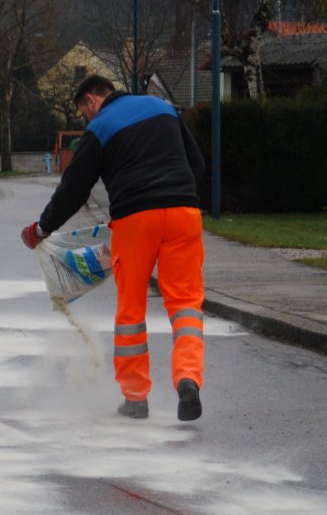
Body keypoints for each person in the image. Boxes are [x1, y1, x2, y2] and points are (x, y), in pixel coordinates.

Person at [21, 75, 207, 422]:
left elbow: (74, 188)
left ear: (91, 100)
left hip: (135, 220)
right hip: (184, 213)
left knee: (131, 309)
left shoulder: (100, 127)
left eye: (84, 112)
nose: (86, 120)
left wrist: (42, 228)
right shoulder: (164, 108)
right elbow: (197, 164)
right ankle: (188, 378)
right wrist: (176, 194)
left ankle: (136, 398)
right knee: (185, 303)